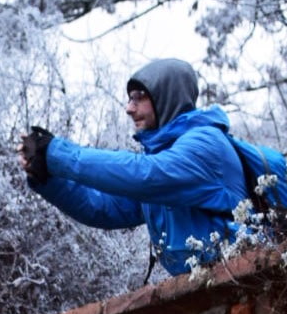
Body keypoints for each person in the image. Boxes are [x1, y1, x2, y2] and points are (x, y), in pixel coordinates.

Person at [18, 58, 247, 277]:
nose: (129, 108)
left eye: (139, 97)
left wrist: (56, 153)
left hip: (243, 278)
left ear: (166, 97)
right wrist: (46, 177)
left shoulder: (205, 143)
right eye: (129, 98)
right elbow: (102, 207)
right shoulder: (163, 161)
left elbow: (145, 174)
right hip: (208, 288)